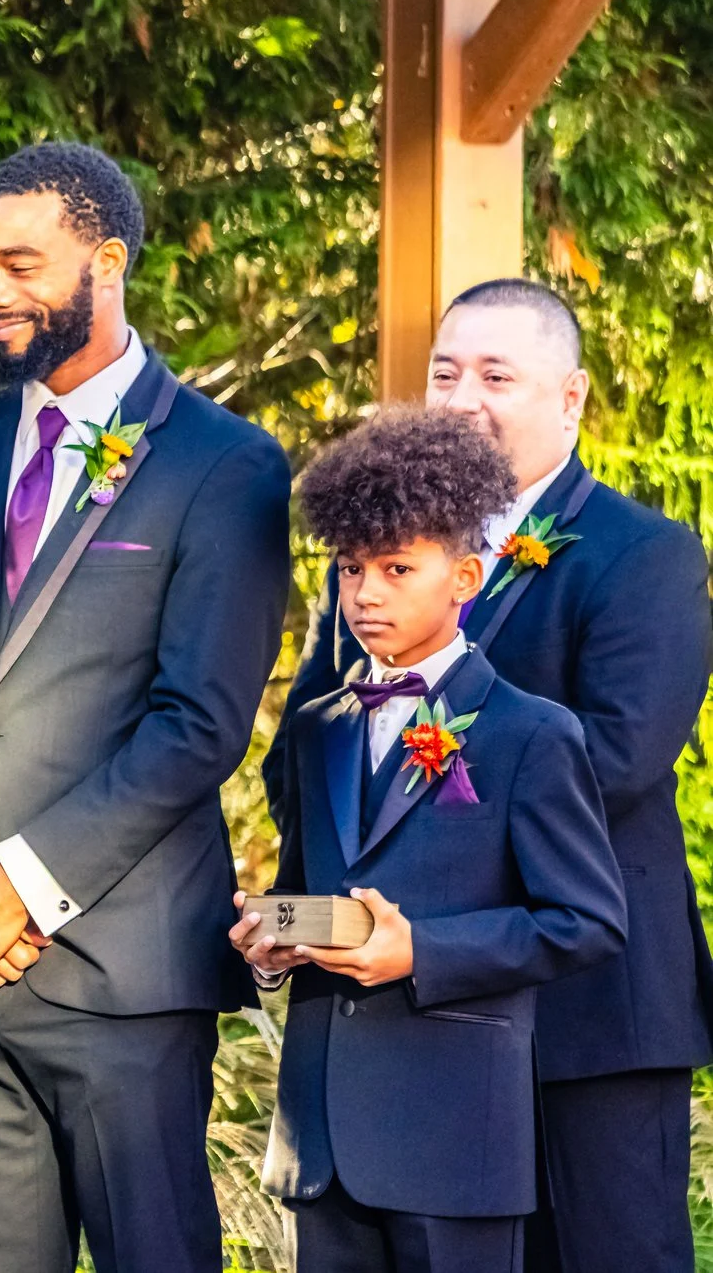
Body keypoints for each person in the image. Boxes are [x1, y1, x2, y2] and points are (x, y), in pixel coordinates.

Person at [0, 141, 290, 1273]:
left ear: (106, 259)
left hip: (121, 973)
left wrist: (22, 887)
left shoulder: (222, 463)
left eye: (18, 264)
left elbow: (197, 721)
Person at [285, 279, 713, 1273]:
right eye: (444, 372)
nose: (463, 394)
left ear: (568, 398)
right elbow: (307, 747)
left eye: (495, 374)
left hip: (586, 1007)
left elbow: (618, 757)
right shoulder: (374, 559)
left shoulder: (640, 553)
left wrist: (428, 927)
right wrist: (322, 911)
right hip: (408, 1019)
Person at [244, 406, 625, 1273]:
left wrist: (423, 949)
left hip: (457, 1142)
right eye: (349, 570)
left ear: (465, 577)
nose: (365, 593)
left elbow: (588, 922)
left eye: (396, 568)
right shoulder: (316, 727)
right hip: (323, 1139)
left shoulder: (532, 733)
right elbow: (311, 887)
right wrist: (275, 938)